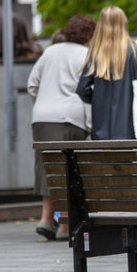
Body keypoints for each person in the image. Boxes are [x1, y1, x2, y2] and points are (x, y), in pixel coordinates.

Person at [27, 14, 95, 241]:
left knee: (46, 168)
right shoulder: (87, 55)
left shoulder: (50, 52)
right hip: (70, 116)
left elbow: (32, 85)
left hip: (42, 117)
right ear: (89, 35)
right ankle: (64, 225)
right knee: (68, 169)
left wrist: (43, 102)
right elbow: (89, 91)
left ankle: (46, 219)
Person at [76, 5, 137, 140]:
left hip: (101, 131)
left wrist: (98, 99)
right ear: (124, 23)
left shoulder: (96, 53)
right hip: (132, 128)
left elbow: (82, 89)